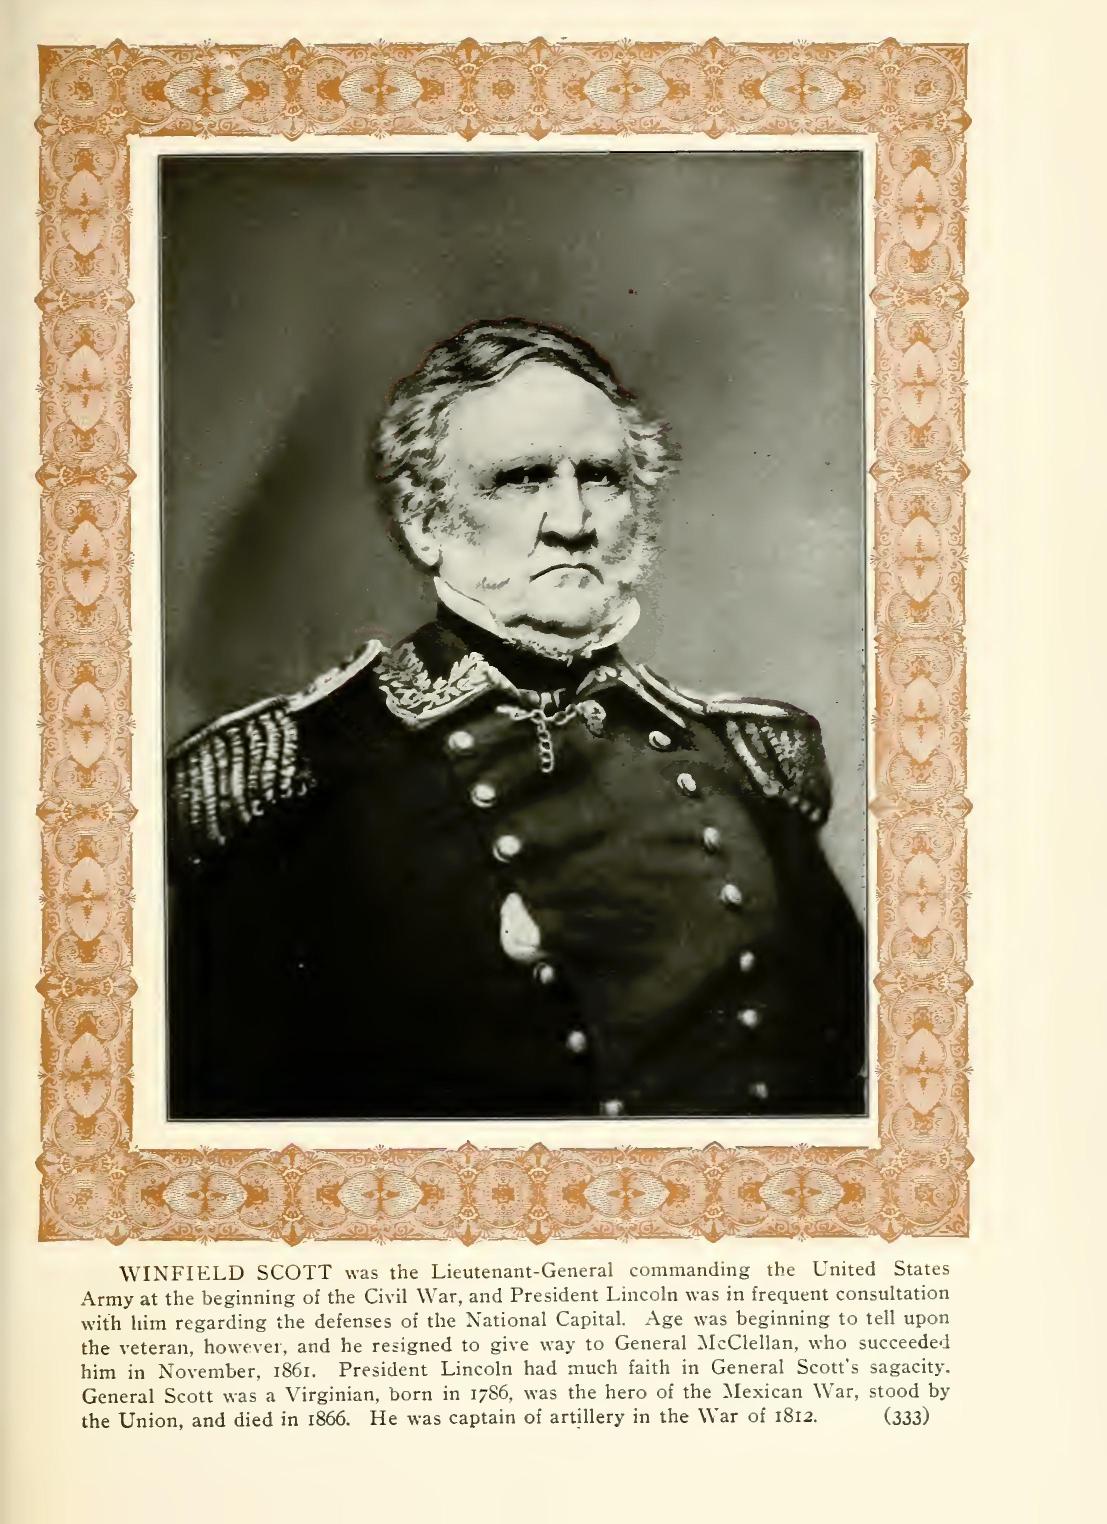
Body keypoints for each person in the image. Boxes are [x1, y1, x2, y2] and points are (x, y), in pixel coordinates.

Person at [167, 318, 866, 1120]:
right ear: (424, 523)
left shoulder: (745, 763)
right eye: (523, 479)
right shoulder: (302, 777)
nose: (572, 520)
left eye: (600, 477)